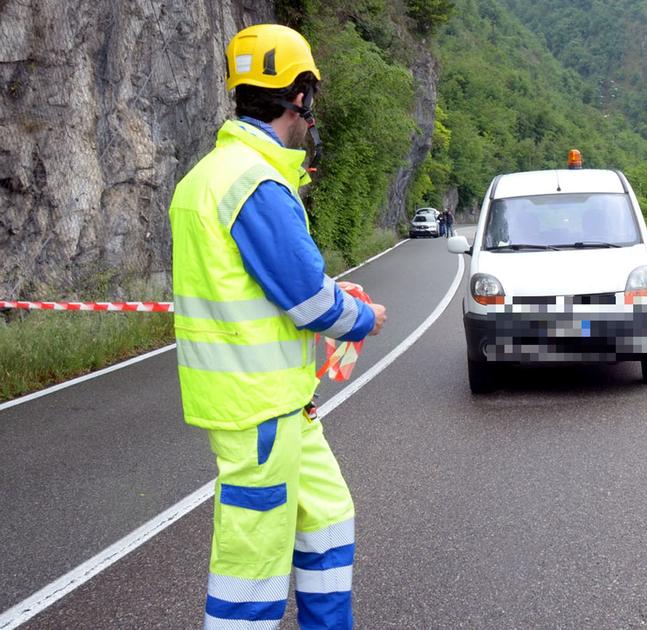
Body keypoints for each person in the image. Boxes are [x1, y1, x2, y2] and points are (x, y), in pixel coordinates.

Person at [168, 24, 385, 629]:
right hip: (256, 407)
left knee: (327, 515)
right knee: (252, 561)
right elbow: (311, 303)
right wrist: (364, 316)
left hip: (282, 404)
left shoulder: (212, 176)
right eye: (311, 98)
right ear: (300, 98)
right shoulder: (254, 183)